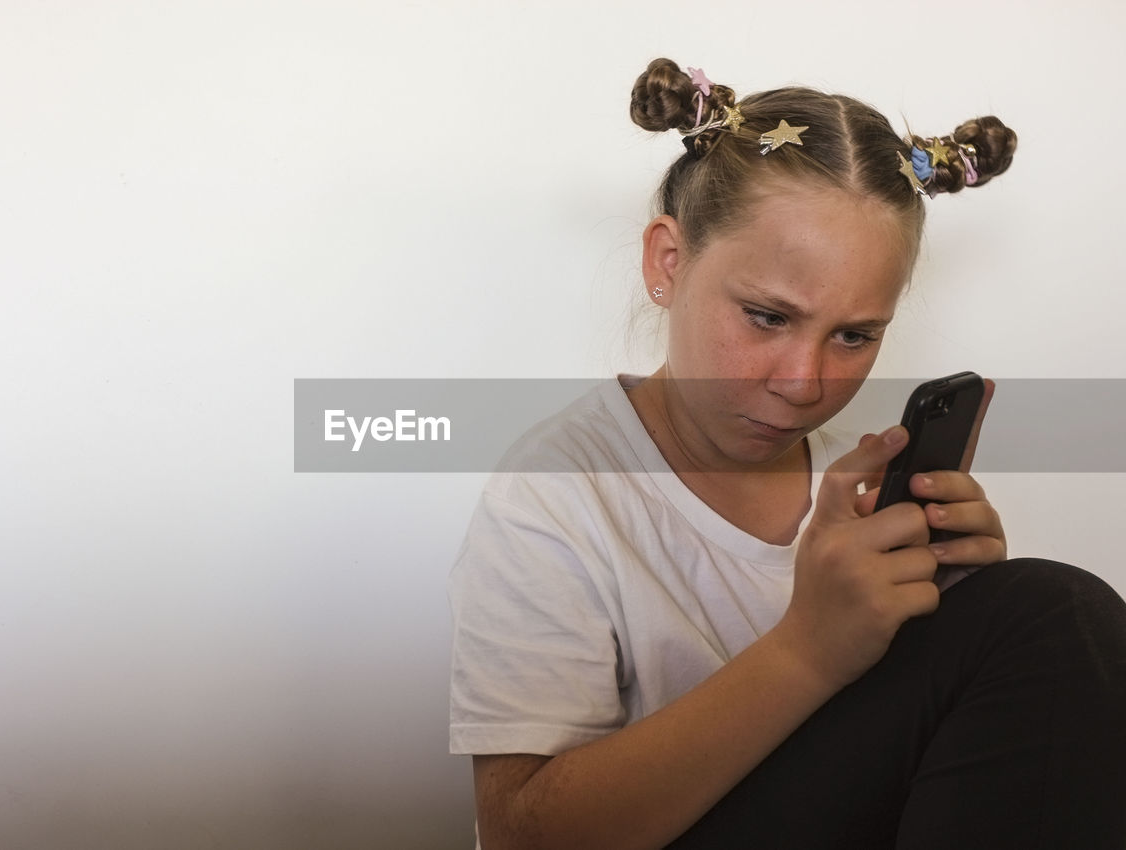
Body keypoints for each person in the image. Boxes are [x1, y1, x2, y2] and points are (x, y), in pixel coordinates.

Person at [448, 58, 1126, 849]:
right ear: (669, 262)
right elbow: (520, 836)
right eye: (768, 317)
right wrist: (810, 650)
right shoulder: (557, 493)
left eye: (853, 335)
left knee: (1034, 624)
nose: (804, 384)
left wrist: (949, 628)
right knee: (1054, 612)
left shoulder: (862, 494)